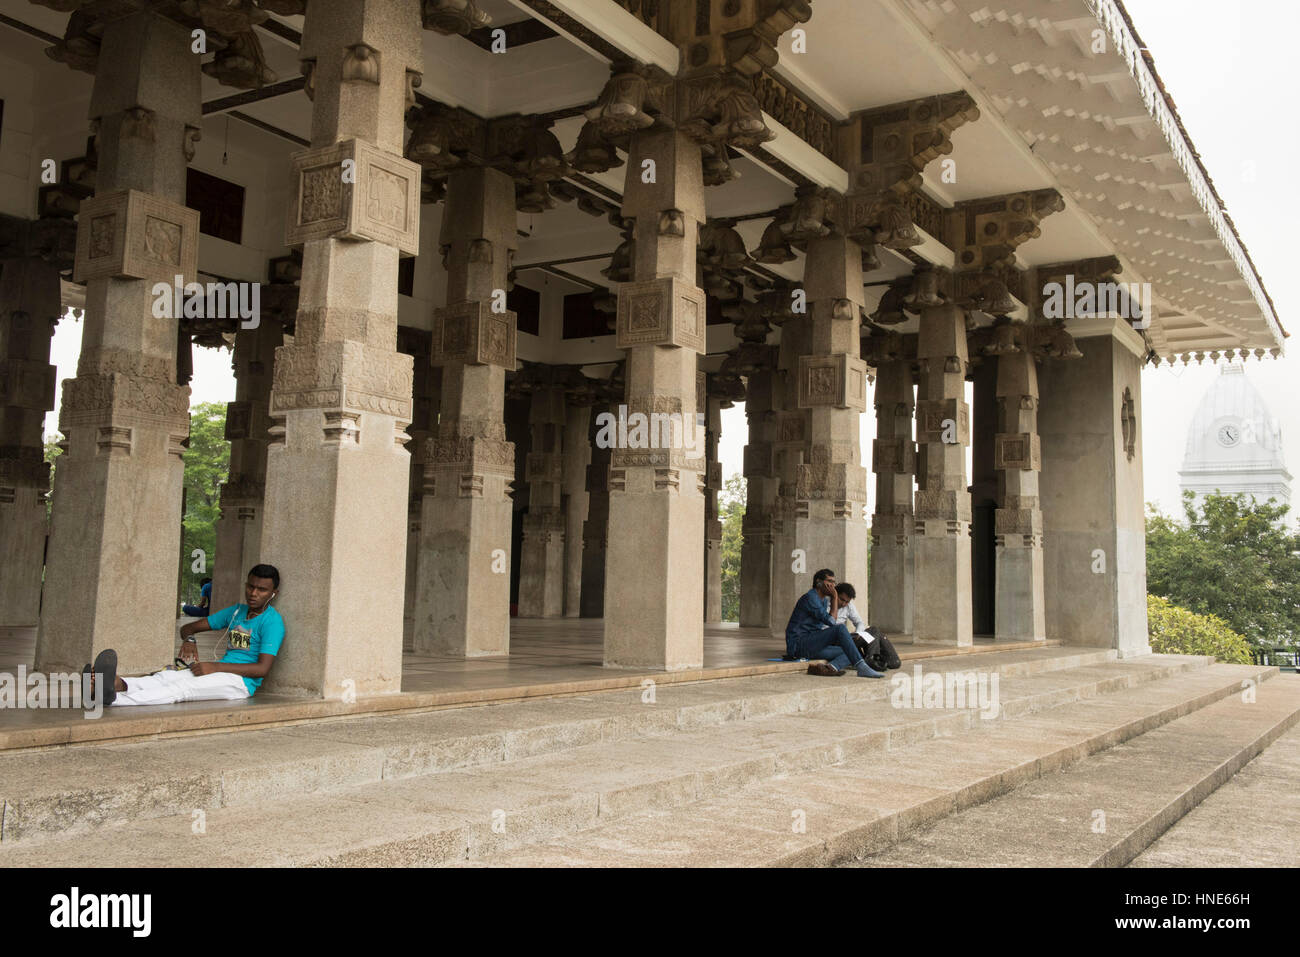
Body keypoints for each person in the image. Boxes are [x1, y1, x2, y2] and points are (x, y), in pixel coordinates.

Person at [86, 564, 285, 707]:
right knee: (166, 677)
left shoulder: (272, 622)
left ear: (273, 593)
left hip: (239, 683)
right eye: (250, 586)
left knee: (182, 688)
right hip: (219, 671)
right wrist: (189, 639)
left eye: (262, 589)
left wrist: (214, 666)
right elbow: (188, 628)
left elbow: (262, 669)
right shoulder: (236, 612)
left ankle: (113, 700)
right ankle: (120, 684)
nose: (253, 593)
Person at [784, 568, 883, 678]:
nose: (832, 585)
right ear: (819, 582)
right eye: (829, 581)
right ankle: (862, 668)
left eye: (833, 582)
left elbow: (831, 621)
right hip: (799, 644)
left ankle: (829, 668)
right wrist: (835, 597)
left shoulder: (824, 601)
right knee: (839, 628)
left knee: (852, 651)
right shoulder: (810, 598)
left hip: (813, 644)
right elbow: (832, 622)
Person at [833, 583, 902, 672]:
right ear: (835, 594)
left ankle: (870, 659)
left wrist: (859, 633)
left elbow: (859, 622)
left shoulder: (849, 606)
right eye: (842, 599)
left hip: (850, 639)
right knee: (874, 631)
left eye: (847, 602)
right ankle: (872, 660)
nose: (843, 604)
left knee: (894, 662)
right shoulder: (826, 604)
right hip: (837, 641)